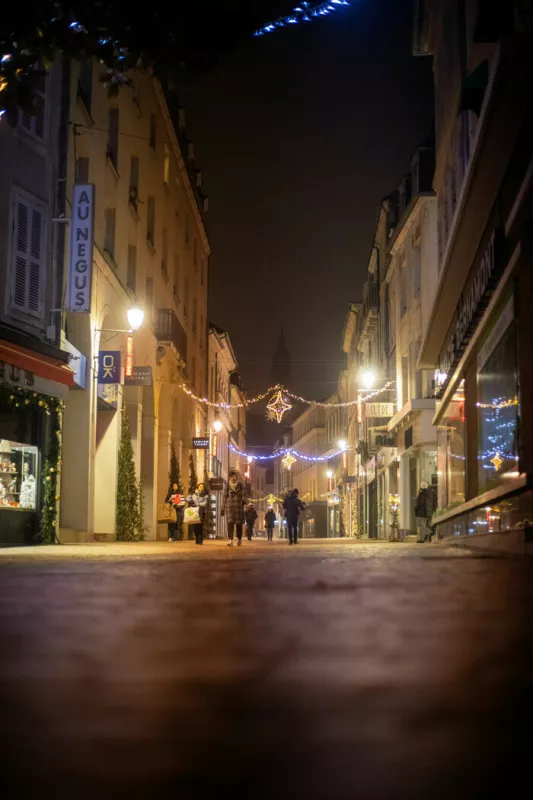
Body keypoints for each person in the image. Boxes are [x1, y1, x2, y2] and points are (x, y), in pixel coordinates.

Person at [221, 470, 247, 546]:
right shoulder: (227, 486)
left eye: (234, 476)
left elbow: (245, 495)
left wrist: (244, 501)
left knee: (239, 525)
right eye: (231, 477)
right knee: (230, 523)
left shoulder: (241, 485)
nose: (232, 478)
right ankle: (230, 540)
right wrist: (222, 508)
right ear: (229, 478)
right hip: (230, 507)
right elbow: (224, 497)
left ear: (236, 477)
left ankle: (239, 539)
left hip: (238, 507)